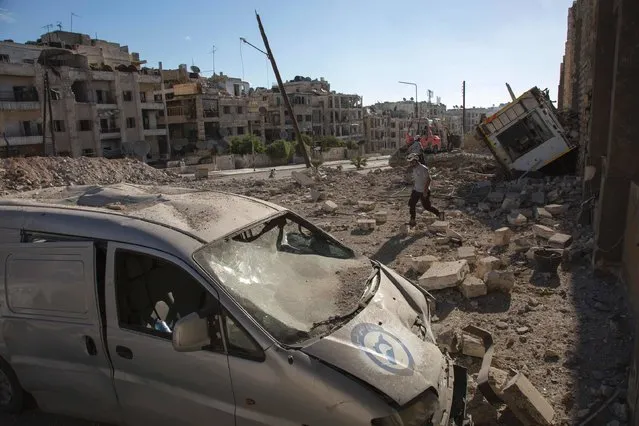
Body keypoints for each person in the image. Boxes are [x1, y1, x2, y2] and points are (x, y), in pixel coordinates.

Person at [407, 153, 444, 227]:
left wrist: (425, 191)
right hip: (416, 190)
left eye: (411, 162)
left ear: (415, 160)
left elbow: (429, 179)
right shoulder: (414, 168)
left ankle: (439, 213)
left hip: (423, 191)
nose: (410, 164)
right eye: (410, 162)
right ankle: (412, 220)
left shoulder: (423, 168)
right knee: (411, 204)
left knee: (427, 207)